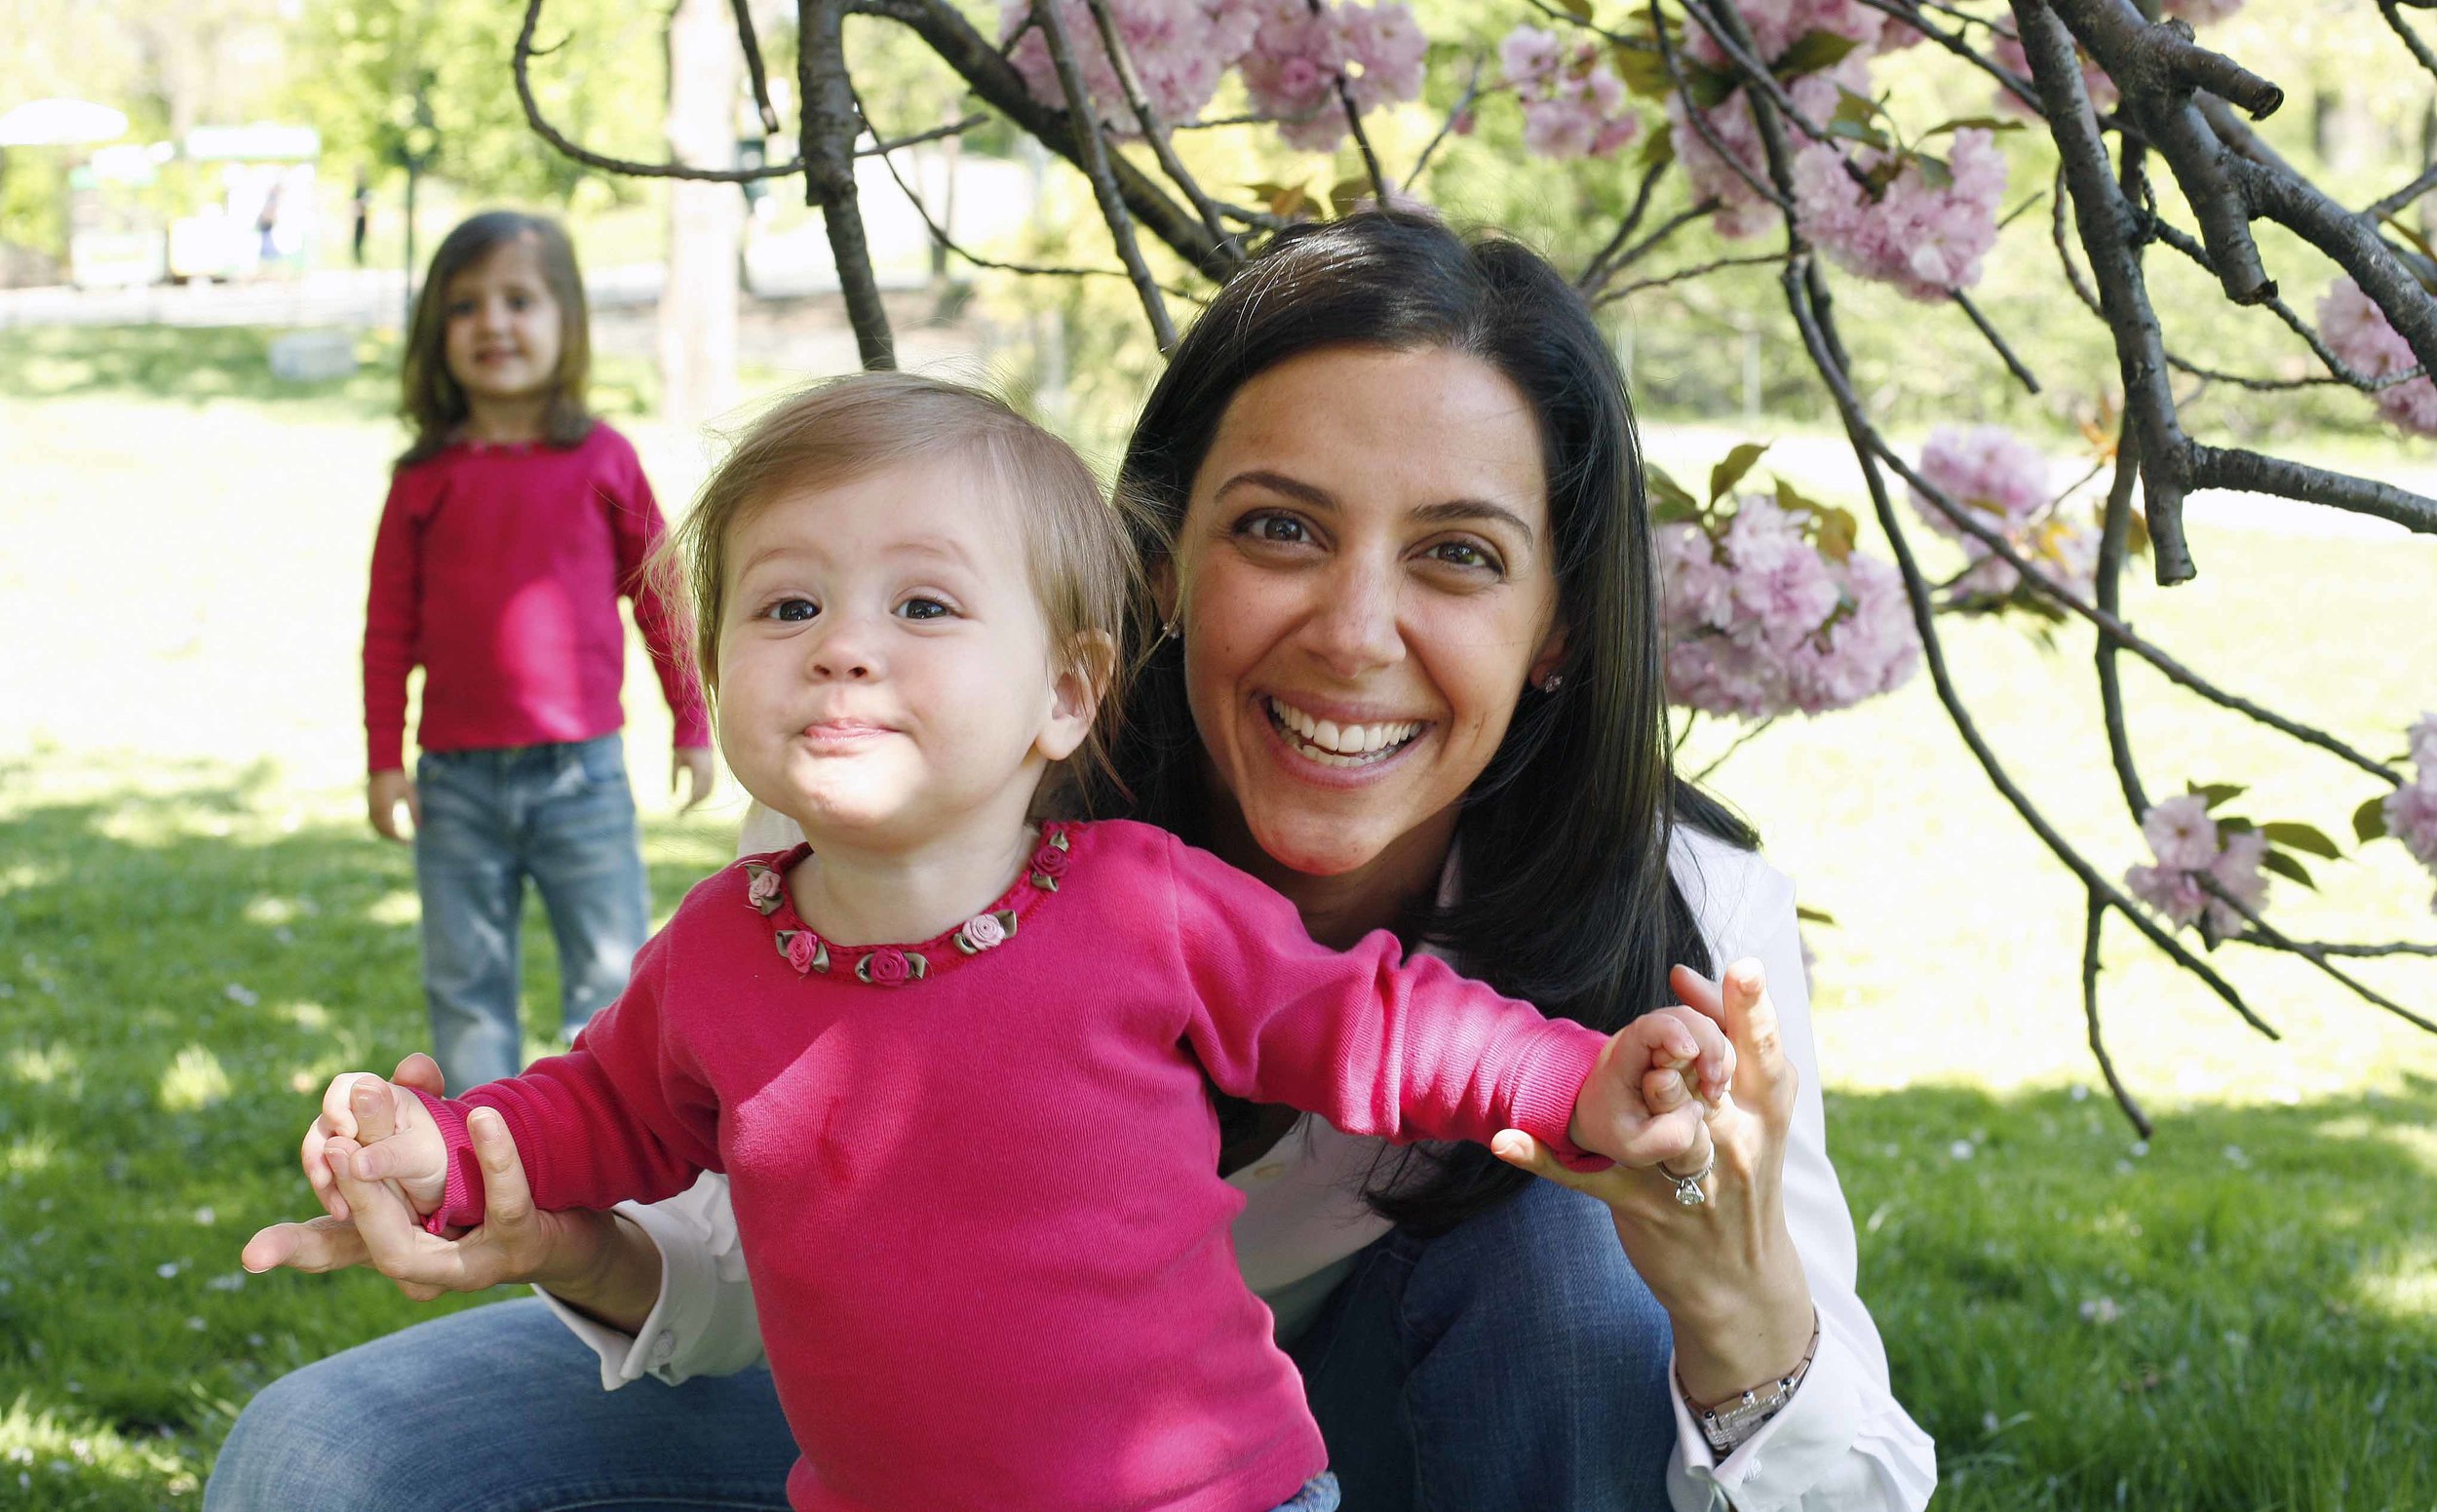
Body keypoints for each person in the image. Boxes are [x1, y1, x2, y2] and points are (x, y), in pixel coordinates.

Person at [215, 213, 1935, 1512]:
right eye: (1279, 528)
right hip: (911, 1416)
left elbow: (1828, 1451)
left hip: (1278, 1443)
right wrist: (513, 1202)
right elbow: (745, 1187)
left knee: (1566, 1259)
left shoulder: (1676, 916)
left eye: (1461, 557)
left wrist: (1741, 1310)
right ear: (1156, 562)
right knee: (324, 1452)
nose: (1353, 633)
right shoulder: (910, 778)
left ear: (1558, 626)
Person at [362, 210, 716, 1093]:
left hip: (582, 779)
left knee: (609, 986)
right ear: (434, 333)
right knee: (468, 990)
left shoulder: (602, 459)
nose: (492, 323)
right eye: (464, 306)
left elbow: (663, 603)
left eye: (519, 300)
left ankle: (603, 1178)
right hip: (455, 785)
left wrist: (692, 723)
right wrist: (381, 759)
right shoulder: (424, 479)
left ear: (566, 322)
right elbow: (387, 630)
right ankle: (476, 1173)